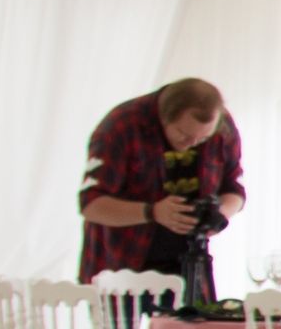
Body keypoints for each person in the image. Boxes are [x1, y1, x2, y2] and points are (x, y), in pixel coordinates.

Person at [78, 74, 246, 302]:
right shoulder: (122, 125)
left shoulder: (222, 125)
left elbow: (234, 187)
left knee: (199, 325)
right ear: (164, 117)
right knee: (125, 328)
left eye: (202, 139)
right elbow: (91, 204)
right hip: (122, 266)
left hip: (189, 265)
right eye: (184, 135)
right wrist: (153, 212)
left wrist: (219, 214)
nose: (192, 144)